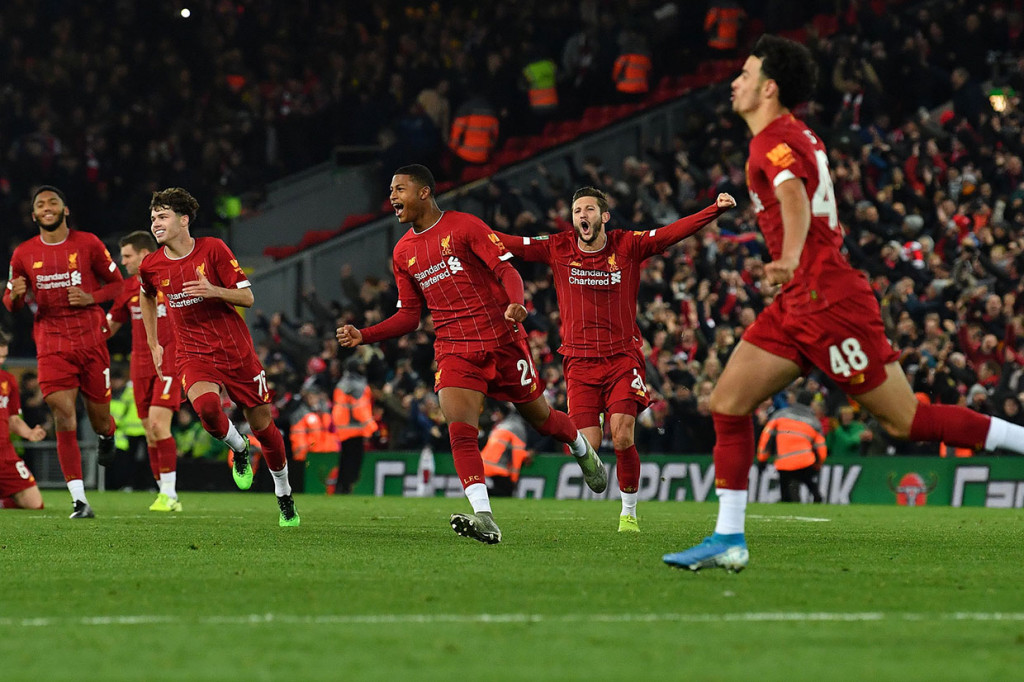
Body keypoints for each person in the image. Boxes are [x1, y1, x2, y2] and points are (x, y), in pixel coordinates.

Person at [663, 35, 1024, 572]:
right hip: (798, 301)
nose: (734, 83)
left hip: (826, 300)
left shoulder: (771, 141)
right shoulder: (795, 134)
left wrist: (788, 256)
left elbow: (792, 195)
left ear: (769, 88)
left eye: (745, 74)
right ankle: (728, 538)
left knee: (906, 421)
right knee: (728, 402)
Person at [337, 164, 607, 544]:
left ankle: (580, 447)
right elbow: (410, 316)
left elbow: (507, 271)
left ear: (424, 192)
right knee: (461, 430)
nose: (392, 197)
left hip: (502, 340)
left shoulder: (465, 226)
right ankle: (484, 516)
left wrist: (516, 303)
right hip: (454, 350)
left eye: (399, 189)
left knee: (542, 419)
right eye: (391, 190)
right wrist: (363, 335)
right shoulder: (402, 253)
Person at [496, 188, 734, 531]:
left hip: (622, 358)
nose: (582, 215)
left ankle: (629, 513)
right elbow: (510, 243)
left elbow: (670, 233)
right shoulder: (558, 246)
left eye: (589, 209)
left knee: (622, 436)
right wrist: (465, 232)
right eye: (577, 210)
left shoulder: (627, 245)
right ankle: (588, 451)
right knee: (588, 446)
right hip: (579, 362)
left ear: (604, 216)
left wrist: (714, 209)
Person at [137, 187, 299, 527]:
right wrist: (153, 343)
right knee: (208, 409)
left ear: (184, 220)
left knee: (264, 427)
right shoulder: (151, 265)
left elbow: (247, 298)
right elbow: (146, 295)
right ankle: (238, 447)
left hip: (235, 352)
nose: (156, 224)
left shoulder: (212, 249)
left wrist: (213, 291)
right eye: (153, 218)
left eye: (162, 216)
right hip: (192, 353)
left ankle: (284, 494)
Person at [2, 185, 122, 518]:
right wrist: (16, 295)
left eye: (53, 201)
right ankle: (79, 500)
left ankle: (107, 435)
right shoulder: (23, 253)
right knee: (63, 413)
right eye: (40, 204)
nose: (47, 207)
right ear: (34, 215)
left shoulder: (88, 243)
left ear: (65, 209)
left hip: (91, 342)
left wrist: (91, 297)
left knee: (99, 420)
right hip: (52, 344)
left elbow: (119, 284)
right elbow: (10, 301)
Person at [107, 230, 183, 511]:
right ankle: (164, 492)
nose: (123, 261)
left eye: (127, 256)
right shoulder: (127, 288)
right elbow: (109, 326)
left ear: (143, 254)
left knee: (158, 425)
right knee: (150, 432)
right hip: (139, 367)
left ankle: (169, 494)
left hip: (169, 362)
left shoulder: (172, 278)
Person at [0, 331, 46, 510]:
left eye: (4, 356)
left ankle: (3, 502)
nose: (1, 361)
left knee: (35, 504)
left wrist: (29, 433)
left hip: (5, 454)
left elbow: (13, 419)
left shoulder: (8, 380)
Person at [756, 390, 826, 503]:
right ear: (811, 403)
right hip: (805, 460)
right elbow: (820, 446)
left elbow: (767, 437)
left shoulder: (780, 414)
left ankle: (788, 501)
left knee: (785, 489)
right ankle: (816, 496)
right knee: (808, 480)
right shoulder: (814, 422)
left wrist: (762, 459)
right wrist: (818, 464)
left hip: (783, 461)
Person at [332, 358, 377, 494]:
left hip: (343, 428)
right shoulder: (357, 385)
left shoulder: (342, 383)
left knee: (344, 459)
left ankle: (340, 487)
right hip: (355, 428)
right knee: (354, 460)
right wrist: (372, 428)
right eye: (361, 366)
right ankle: (347, 487)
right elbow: (360, 410)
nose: (363, 368)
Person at [480, 405, 532, 497]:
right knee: (506, 492)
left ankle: (479, 492)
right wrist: (514, 478)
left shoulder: (502, 426)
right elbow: (517, 453)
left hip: (484, 463)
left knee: (500, 489)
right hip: (496, 467)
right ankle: (481, 493)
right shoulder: (517, 428)